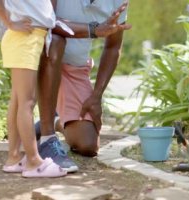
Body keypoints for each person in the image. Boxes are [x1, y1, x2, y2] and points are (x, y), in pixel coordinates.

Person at [35, 0, 131, 172]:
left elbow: (113, 47)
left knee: (88, 145)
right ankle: (47, 138)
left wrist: (96, 96)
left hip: (75, 68)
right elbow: (46, 23)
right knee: (56, 41)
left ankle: (55, 121)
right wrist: (93, 30)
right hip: (42, 57)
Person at [0, 0, 67, 177]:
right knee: (27, 102)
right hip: (25, 38)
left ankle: (14, 158)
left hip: (30, 37)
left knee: (18, 100)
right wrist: (8, 21)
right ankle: (34, 162)